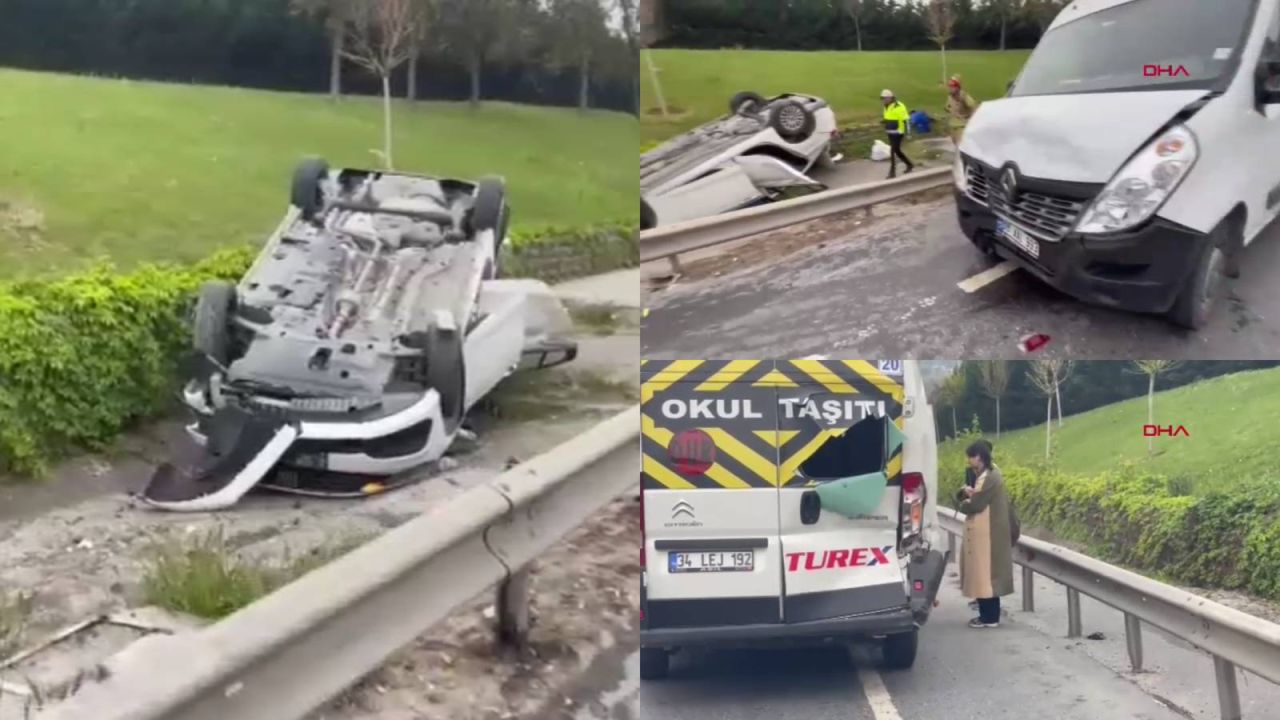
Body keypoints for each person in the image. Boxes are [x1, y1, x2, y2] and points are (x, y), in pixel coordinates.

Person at [957, 440, 1014, 628]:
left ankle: (989, 618)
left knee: (985, 576)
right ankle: (987, 615)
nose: (969, 460)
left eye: (971, 456)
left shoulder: (990, 476)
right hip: (984, 532)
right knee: (983, 575)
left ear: (979, 457)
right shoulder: (984, 474)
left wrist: (965, 500)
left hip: (988, 534)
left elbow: (976, 504)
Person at [879, 89, 914, 179]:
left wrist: (909, 133)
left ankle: (892, 172)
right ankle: (909, 164)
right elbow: (888, 117)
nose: (883, 100)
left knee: (892, 151)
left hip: (898, 132)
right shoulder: (886, 106)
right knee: (897, 151)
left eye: (885, 98)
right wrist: (884, 121)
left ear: (890, 97)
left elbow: (906, 120)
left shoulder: (899, 106)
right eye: (882, 98)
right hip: (890, 132)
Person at [945, 75, 978, 147]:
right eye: (949, 86)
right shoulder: (950, 96)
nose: (950, 88)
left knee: (961, 147)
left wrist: (971, 121)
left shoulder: (964, 96)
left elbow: (974, 107)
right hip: (953, 126)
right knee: (955, 145)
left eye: (952, 86)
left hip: (962, 126)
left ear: (957, 87)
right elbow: (949, 108)